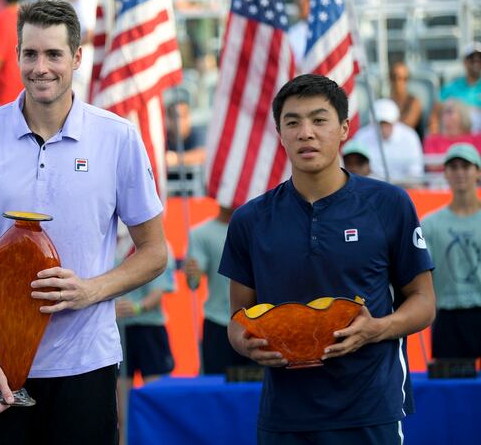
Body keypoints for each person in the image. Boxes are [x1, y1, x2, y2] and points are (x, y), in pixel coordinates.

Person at [0, 0, 167, 445]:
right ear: (18, 54)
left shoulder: (118, 137)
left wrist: (90, 290)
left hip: (86, 367)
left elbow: (156, 252)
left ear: (77, 58)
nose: (40, 67)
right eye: (30, 53)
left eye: (53, 54)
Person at [221, 74, 435, 444]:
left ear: (344, 129)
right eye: (293, 122)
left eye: (319, 120)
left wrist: (376, 329)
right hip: (285, 415)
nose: (306, 133)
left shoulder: (389, 204)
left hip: (371, 408)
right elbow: (238, 319)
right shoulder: (250, 220)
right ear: (279, 132)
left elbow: (424, 301)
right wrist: (247, 343)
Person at [421, 143, 481, 359]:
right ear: (445, 173)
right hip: (447, 319)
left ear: (478, 171)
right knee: (451, 388)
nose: (459, 172)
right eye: (453, 167)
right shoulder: (429, 224)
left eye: (465, 166)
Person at [115, 245, 175, 444]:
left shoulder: (159, 246)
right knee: (120, 405)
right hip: (119, 331)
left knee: (157, 396)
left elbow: (159, 289)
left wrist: (138, 307)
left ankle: (159, 439)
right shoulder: (111, 243)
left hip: (150, 329)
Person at [185, 205, 251, 374]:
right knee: (218, 384)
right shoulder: (200, 233)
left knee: (257, 385)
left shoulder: (256, 229)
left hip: (255, 321)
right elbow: (193, 283)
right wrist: (193, 274)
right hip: (218, 322)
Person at [353, 98, 424, 185]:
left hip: (404, 188)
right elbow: (357, 169)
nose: (383, 128)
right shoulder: (362, 136)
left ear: (395, 122)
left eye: (387, 123)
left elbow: (415, 172)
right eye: (380, 123)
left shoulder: (409, 137)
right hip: (372, 188)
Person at [430, 42, 481, 134]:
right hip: (456, 137)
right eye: (472, 59)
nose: (476, 63)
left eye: (479, 59)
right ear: (465, 62)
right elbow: (435, 115)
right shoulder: (451, 87)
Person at [166, 99, 206, 168]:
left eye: (183, 116)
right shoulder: (163, 137)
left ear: (189, 117)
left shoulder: (197, 134)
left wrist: (176, 159)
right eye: (175, 117)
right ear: (168, 119)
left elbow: (202, 155)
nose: (179, 121)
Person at [389, 61, 424, 141]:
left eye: (403, 78)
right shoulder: (385, 102)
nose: (398, 82)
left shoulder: (414, 102)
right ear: (390, 79)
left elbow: (407, 126)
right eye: (394, 77)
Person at [287, 0, 311, 70]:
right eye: (300, 3)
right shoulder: (293, 33)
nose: (301, 7)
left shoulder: (330, 29)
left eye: (306, 4)